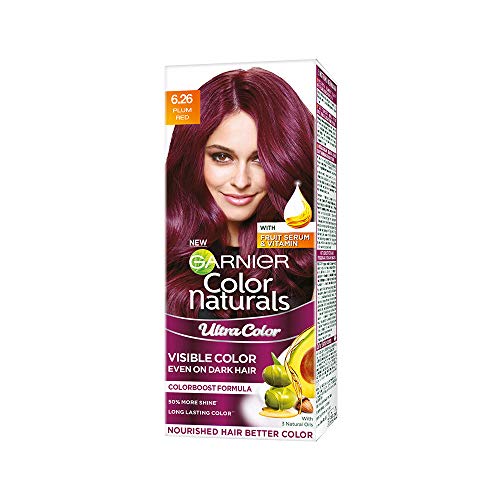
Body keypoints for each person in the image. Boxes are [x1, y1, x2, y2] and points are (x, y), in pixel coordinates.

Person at [166, 67, 314, 318]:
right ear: (193, 160)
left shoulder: (307, 263)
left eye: (260, 160)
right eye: (222, 157)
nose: (241, 181)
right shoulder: (168, 251)